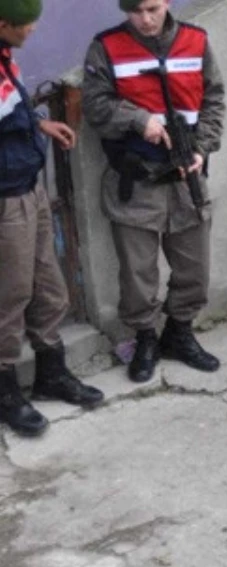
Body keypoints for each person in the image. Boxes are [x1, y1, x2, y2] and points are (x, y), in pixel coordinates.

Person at [82, 0, 226, 383]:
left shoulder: (196, 41)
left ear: (167, 2)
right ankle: (145, 338)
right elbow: (95, 106)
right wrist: (138, 120)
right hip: (136, 181)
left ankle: (179, 332)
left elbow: (214, 99)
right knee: (138, 274)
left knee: (195, 267)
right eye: (135, 11)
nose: (145, 20)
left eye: (152, 8)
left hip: (186, 178)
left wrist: (202, 147)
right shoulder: (106, 46)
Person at [0, 0, 104, 437]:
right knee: (10, 296)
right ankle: (5, 390)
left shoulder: (5, 58)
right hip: (6, 198)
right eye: (26, 26)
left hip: (30, 187)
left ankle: (51, 372)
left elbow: (10, 110)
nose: (33, 31)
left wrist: (40, 125)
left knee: (49, 285)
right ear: (4, 24)